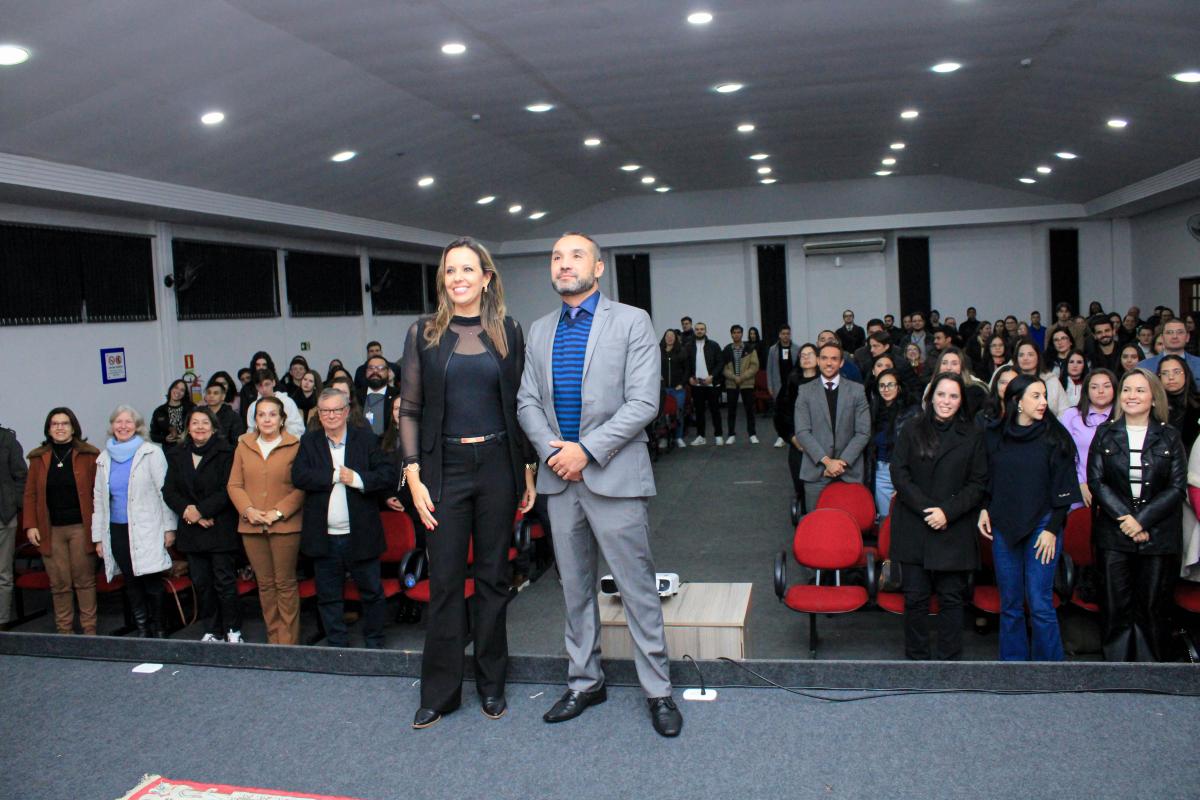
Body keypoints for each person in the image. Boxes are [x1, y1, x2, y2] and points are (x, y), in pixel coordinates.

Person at [517, 232, 681, 737]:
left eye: (576, 256)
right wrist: (555, 453)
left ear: (599, 267)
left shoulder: (631, 321)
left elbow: (643, 402)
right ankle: (585, 682)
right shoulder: (539, 331)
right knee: (575, 591)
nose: (564, 264)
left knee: (637, 590)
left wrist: (584, 451)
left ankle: (658, 691)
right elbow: (527, 401)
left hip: (614, 475)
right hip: (559, 480)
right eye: (556, 257)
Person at [402, 237, 537, 727]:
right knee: (444, 583)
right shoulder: (424, 333)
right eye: (450, 270)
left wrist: (527, 467)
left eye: (467, 269)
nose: (457, 278)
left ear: (486, 278)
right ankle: (440, 693)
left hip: (499, 464)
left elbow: (520, 405)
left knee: (493, 579)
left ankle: (492, 684)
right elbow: (410, 409)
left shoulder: (508, 331)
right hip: (445, 470)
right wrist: (413, 474)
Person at [978, 375, 1080, 661]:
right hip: (1004, 525)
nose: (1043, 402)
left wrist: (1052, 530)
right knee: (1010, 602)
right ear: (1017, 401)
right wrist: (984, 507)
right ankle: (1013, 667)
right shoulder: (995, 435)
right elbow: (986, 478)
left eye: (1044, 395)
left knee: (1039, 601)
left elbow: (1064, 491)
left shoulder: (1055, 437)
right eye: (1036, 396)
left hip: (1043, 526)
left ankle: (1050, 670)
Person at [1089, 368, 1186, 661]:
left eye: (1140, 390)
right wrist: (1127, 520)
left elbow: (1177, 487)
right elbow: (1097, 482)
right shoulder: (1105, 433)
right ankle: (1117, 673)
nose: (1132, 396)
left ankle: (1150, 674)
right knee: (1115, 608)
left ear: (1154, 398)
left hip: (1158, 536)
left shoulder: (1169, 436)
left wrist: (1141, 521)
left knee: (1152, 609)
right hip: (1114, 534)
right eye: (1127, 390)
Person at [890, 372, 987, 660]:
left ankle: (949, 663)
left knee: (951, 599)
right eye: (941, 394)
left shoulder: (973, 435)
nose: (946, 401)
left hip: (953, 527)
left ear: (961, 400)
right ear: (931, 397)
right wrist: (927, 510)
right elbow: (899, 473)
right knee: (915, 598)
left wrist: (947, 512)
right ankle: (917, 661)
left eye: (953, 396)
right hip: (914, 525)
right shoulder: (911, 428)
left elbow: (978, 483)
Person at [293, 389, 397, 651]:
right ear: (318, 414)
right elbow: (299, 476)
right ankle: (337, 645)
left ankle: (374, 643)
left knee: (371, 592)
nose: (331, 415)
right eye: (325, 411)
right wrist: (332, 476)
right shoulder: (309, 442)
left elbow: (387, 474)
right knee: (328, 597)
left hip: (360, 533)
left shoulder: (366, 439)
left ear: (347, 411)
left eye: (336, 410)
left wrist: (357, 479)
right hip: (324, 536)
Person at [91, 406, 175, 638]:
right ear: (112, 426)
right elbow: (99, 500)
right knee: (131, 580)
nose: (123, 426)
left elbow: (164, 493)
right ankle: (142, 629)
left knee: (151, 579)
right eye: (118, 422)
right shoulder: (103, 458)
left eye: (128, 422)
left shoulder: (151, 452)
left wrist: (169, 528)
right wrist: (98, 538)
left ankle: (160, 628)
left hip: (148, 527)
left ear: (137, 426)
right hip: (117, 529)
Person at [227, 396, 304, 645]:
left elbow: (302, 486)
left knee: (285, 584)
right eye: (261, 415)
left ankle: (288, 642)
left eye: (272, 414)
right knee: (265, 585)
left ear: (282, 419)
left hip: (285, 526)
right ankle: (273, 640)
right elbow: (234, 484)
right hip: (251, 525)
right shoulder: (243, 445)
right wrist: (248, 510)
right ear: (255, 420)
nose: (267, 419)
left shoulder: (296, 445)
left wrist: (278, 512)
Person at [162, 407, 241, 642]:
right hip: (192, 530)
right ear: (188, 427)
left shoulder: (227, 452)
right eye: (195, 422)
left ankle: (233, 629)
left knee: (224, 582)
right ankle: (211, 630)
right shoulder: (177, 454)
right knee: (202, 583)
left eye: (205, 422)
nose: (199, 427)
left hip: (220, 527)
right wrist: (190, 512)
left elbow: (228, 489)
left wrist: (202, 511)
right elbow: (169, 491)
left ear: (214, 427)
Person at [21, 408, 97, 634]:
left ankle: (90, 630)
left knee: (84, 580)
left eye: (65, 423)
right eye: (55, 424)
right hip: (50, 529)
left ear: (73, 428)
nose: (60, 428)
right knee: (59, 583)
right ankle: (64, 631)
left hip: (81, 527)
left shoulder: (89, 455)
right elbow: (30, 494)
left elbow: (99, 493)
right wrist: (31, 525)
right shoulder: (38, 458)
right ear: (48, 429)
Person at [793, 342, 872, 512]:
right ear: (818, 361)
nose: (829, 363)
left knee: (850, 521)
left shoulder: (857, 391)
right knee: (817, 522)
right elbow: (802, 432)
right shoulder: (804, 391)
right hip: (816, 471)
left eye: (834, 359)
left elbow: (863, 432)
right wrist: (827, 462)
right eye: (824, 358)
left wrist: (841, 463)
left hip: (849, 470)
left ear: (841, 363)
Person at [1059, 369, 1116, 508]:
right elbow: (1064, 455)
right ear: (1086, 391)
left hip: (1116, 493)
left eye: (1106, 386)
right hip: (1078, 488)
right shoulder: (1071, 415)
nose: (1100, 391)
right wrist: (1079, 482)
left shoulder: (1123, 416)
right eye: (1094, 387)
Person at [868, 368, 917, 520]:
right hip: (881, 472)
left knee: (905, 519)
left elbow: (917, 449)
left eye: (890, 384)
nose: (886, 389)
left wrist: (905, 480)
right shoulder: (874, 411)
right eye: (882, 385)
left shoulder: (912, 412)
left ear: (899, 387)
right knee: (886, 520)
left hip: (904, 471)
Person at [777, 343, 820, 509]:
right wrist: (791, 437)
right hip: (798, 442)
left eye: (810, 354)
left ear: (818, 359)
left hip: (821, 441)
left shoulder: (825, 381)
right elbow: (781, 413)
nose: (806, 358)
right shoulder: (792, 381)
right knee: (800, 482)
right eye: (803, 355)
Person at [685, 321, 724, 446]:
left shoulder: (714, 345)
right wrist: (690, 378)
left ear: (706, 331)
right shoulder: (689, 346)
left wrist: (712, 376)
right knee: (699, 412)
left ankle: (718, 435)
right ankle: (701, 436)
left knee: (715, 411)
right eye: (697, 329)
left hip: (711, 383)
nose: (699, 331)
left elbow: (720, 363)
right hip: (696, 385)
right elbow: (687, 365)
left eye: (702, 329)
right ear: (694, 331)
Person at [721, 324, 760, 444]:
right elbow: (723, 368)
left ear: (742, 334)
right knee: (731, 410)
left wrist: (742, 377)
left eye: (738, 332)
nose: (736, 334)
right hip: (731, 384)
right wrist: (734, 377)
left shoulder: (750, 348)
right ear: (731, 334)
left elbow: (754, 366)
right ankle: (731, 434)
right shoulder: (727, 349)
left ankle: (752, 434)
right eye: (734, 332)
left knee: (749, 410)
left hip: (747, 383)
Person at [1011, 337, 1069, 415]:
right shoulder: (1011, 380)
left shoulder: (1051, 380)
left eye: (1030, 354)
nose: (1025, 358)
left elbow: (1064, 410)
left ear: (1038, 357)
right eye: (1021, 355)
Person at [1139, 317, 1200, 389]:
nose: (1174, 336)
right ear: (1162, 337)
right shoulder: (1144, 367)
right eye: (1169, 332)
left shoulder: (1198, 364)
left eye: (1180, 332)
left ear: (1187, 337)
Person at [1157, 354, 1200, 454]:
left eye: (1176, 372)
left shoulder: (1197, 403)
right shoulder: (1153, 404)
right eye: (1165, 373)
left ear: (1186, 374)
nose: (1171, 377)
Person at [244, 369, 306, 438]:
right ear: (256, 387)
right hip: (261, 442)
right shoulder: (253, 407)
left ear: (273, 383)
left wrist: (278, 435)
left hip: (286, 441)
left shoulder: (287, 402)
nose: (264, 389)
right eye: (260, 386)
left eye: (267, 384)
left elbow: (298, 428)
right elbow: (251, 430)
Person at [766, 326, 796, 447]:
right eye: (783, 333)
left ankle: (795, 435)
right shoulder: (773, 350)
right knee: (779, 413)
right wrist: (770, 386)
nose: (785, 336)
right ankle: (781, 436)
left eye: (787, 333)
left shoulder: (797, 349)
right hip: (778, 386)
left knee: (794, 411)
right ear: (779, 335)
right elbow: (769, 369)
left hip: (793, 386)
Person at [357, 354, 400, 438]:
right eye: (371, 368)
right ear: (366, 372)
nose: (375, 372)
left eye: (380, 368)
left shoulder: (397, 395)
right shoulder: (356, 395)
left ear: (388, 372)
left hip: (389, 443)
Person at [660, 329, 689, 449]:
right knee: (662, 414)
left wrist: (682, 384)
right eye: (667, 336)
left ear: (675, 338)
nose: (670, 338)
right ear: (664, 338)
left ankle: (678, 437)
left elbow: (687, 370)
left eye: (672, 336)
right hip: (663, 389)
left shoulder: (681, 351)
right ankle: (663, 438)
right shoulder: (658, 351)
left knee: (678, 413)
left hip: (678, 389)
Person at [149, 379, 194, 446]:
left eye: (182, 390)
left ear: (184, 394)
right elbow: (153, 435)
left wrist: (186, 435)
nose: (178, 391)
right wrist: (165, 438)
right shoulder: (159, 411)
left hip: (190, 447)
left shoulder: (191, 408)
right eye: (176, 387)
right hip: (169, 450)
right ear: (171, 389)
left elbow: (198, 427)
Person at [203, 378, 245, 446]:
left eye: (216, 393)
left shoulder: (233, 417)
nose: (211, 396)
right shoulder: (199, 414)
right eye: (208, 393)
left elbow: (237, 443)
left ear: (223, 396)